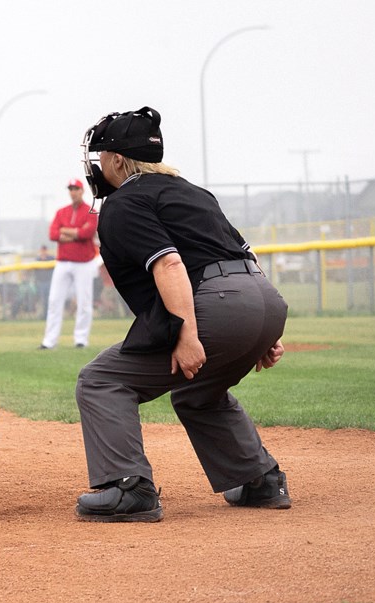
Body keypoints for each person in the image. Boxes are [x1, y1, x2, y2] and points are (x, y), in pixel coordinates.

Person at [74, 106, 290, 522]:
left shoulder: (124, 202)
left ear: (118, 160)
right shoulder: (190, 191)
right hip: (263, 299)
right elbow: (246, 254)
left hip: (216, 302)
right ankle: (260, 479)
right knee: (198, 391)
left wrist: (186, 333)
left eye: (102, 155)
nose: (98, 165)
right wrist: (268, 332)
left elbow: (169, 264)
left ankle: (128, 488)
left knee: (101, 380)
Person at [39, 179, 99, 349]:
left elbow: (88, 232)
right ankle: (49, 341)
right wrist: (75, 233)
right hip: (63, 262)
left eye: (76, 188)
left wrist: (66, 231)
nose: (73, 192)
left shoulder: (91, 211)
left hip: (84, 263)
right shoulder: (61, 212)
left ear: (82, 191)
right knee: (54, 301)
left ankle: (81, 339)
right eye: (71, 189)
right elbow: (52, 233)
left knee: (84, 302)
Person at [33, 244, 55, 320]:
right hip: (41, 282)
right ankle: (43, 315)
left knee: (49, 299)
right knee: (42, 299)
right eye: (42, 250)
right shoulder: (38, 259)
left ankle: (49, 315)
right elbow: (35, 272)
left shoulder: (51, 258)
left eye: (45, 250)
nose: (43, 252)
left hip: (49, 282)